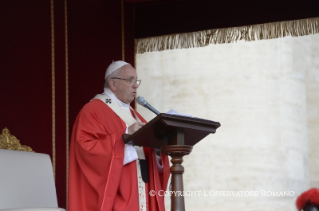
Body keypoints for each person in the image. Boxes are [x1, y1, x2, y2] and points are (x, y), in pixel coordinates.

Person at [68, 61, 170, 211]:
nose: (136, 85)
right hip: (117, 196)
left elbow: (150, 155)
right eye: (130, 80)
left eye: (136, 81)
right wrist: (125, 136)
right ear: (113, 83)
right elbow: (86, 149)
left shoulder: (136, 116)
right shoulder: (93, 110)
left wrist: (159, 148)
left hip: (142, 192)